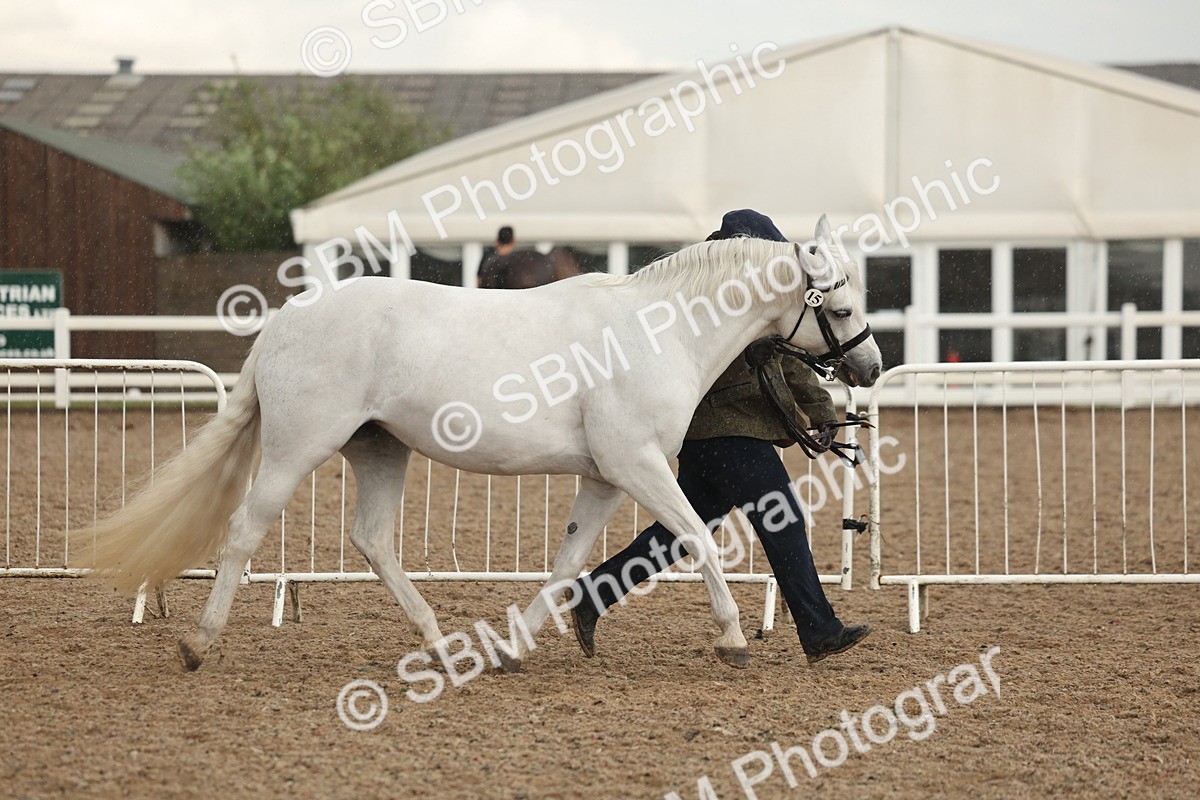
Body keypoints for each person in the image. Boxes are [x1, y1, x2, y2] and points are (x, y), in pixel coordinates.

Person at [570, 209, 872, 665]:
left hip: (712, 432)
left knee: (683, 531)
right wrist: (809, 405)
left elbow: (790, 357)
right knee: (783, 517)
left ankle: (595, 592)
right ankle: (819, 630)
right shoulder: (710, 292)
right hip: (728, 430)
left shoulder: (753, 298)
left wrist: (821, 409)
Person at [477, 226, 555, 289]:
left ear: (497, 240)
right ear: (513, 241)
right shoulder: (518, 261)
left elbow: (479, 282)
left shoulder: (488, 258)